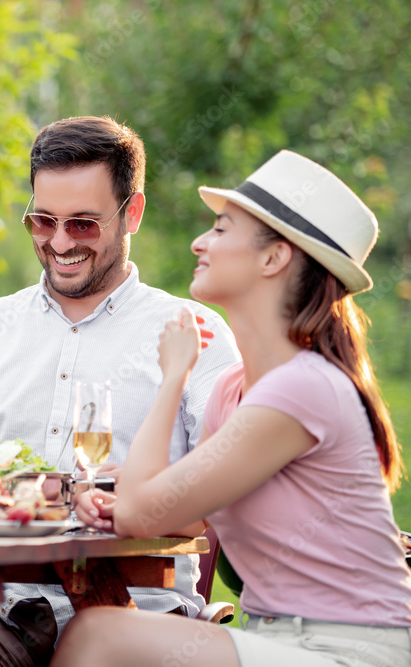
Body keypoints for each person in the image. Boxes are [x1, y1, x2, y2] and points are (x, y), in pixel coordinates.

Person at [55, 150, 411, 666]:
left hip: (352, 649)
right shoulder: (232, 391)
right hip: (274, 639)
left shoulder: (304, 389)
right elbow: (176, 514)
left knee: (99, 637)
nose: (200, 242)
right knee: (99, 633)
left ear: (274, 258)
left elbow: (141, 511)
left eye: (222, 230)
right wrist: (116, 500)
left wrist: (173, 376)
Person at [0, 115, 241, 666]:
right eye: (42, 221)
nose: (58, 242)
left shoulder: (197, 333)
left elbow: (229, 501)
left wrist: (144, 502)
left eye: (83, 225)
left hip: (137, 622)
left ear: (133, 214)